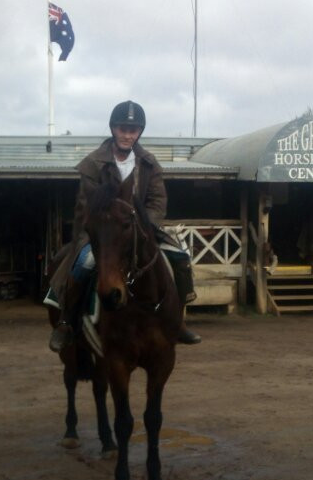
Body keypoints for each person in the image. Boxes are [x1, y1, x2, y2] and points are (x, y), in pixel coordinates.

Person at [46, 100, 200, 351]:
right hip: (103, 232)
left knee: (181, 258)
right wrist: (101, 226)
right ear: (113, 129)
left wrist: (144, 225)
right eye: (122, 129)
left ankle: (178, 321)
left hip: (142, 230)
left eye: (133, 130)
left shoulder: (149, 162)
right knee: (83, 264)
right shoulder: (93, 163)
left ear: (140, 132)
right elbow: (86, 204)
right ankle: (66, 321)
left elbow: (157, 201)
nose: (128, 135)